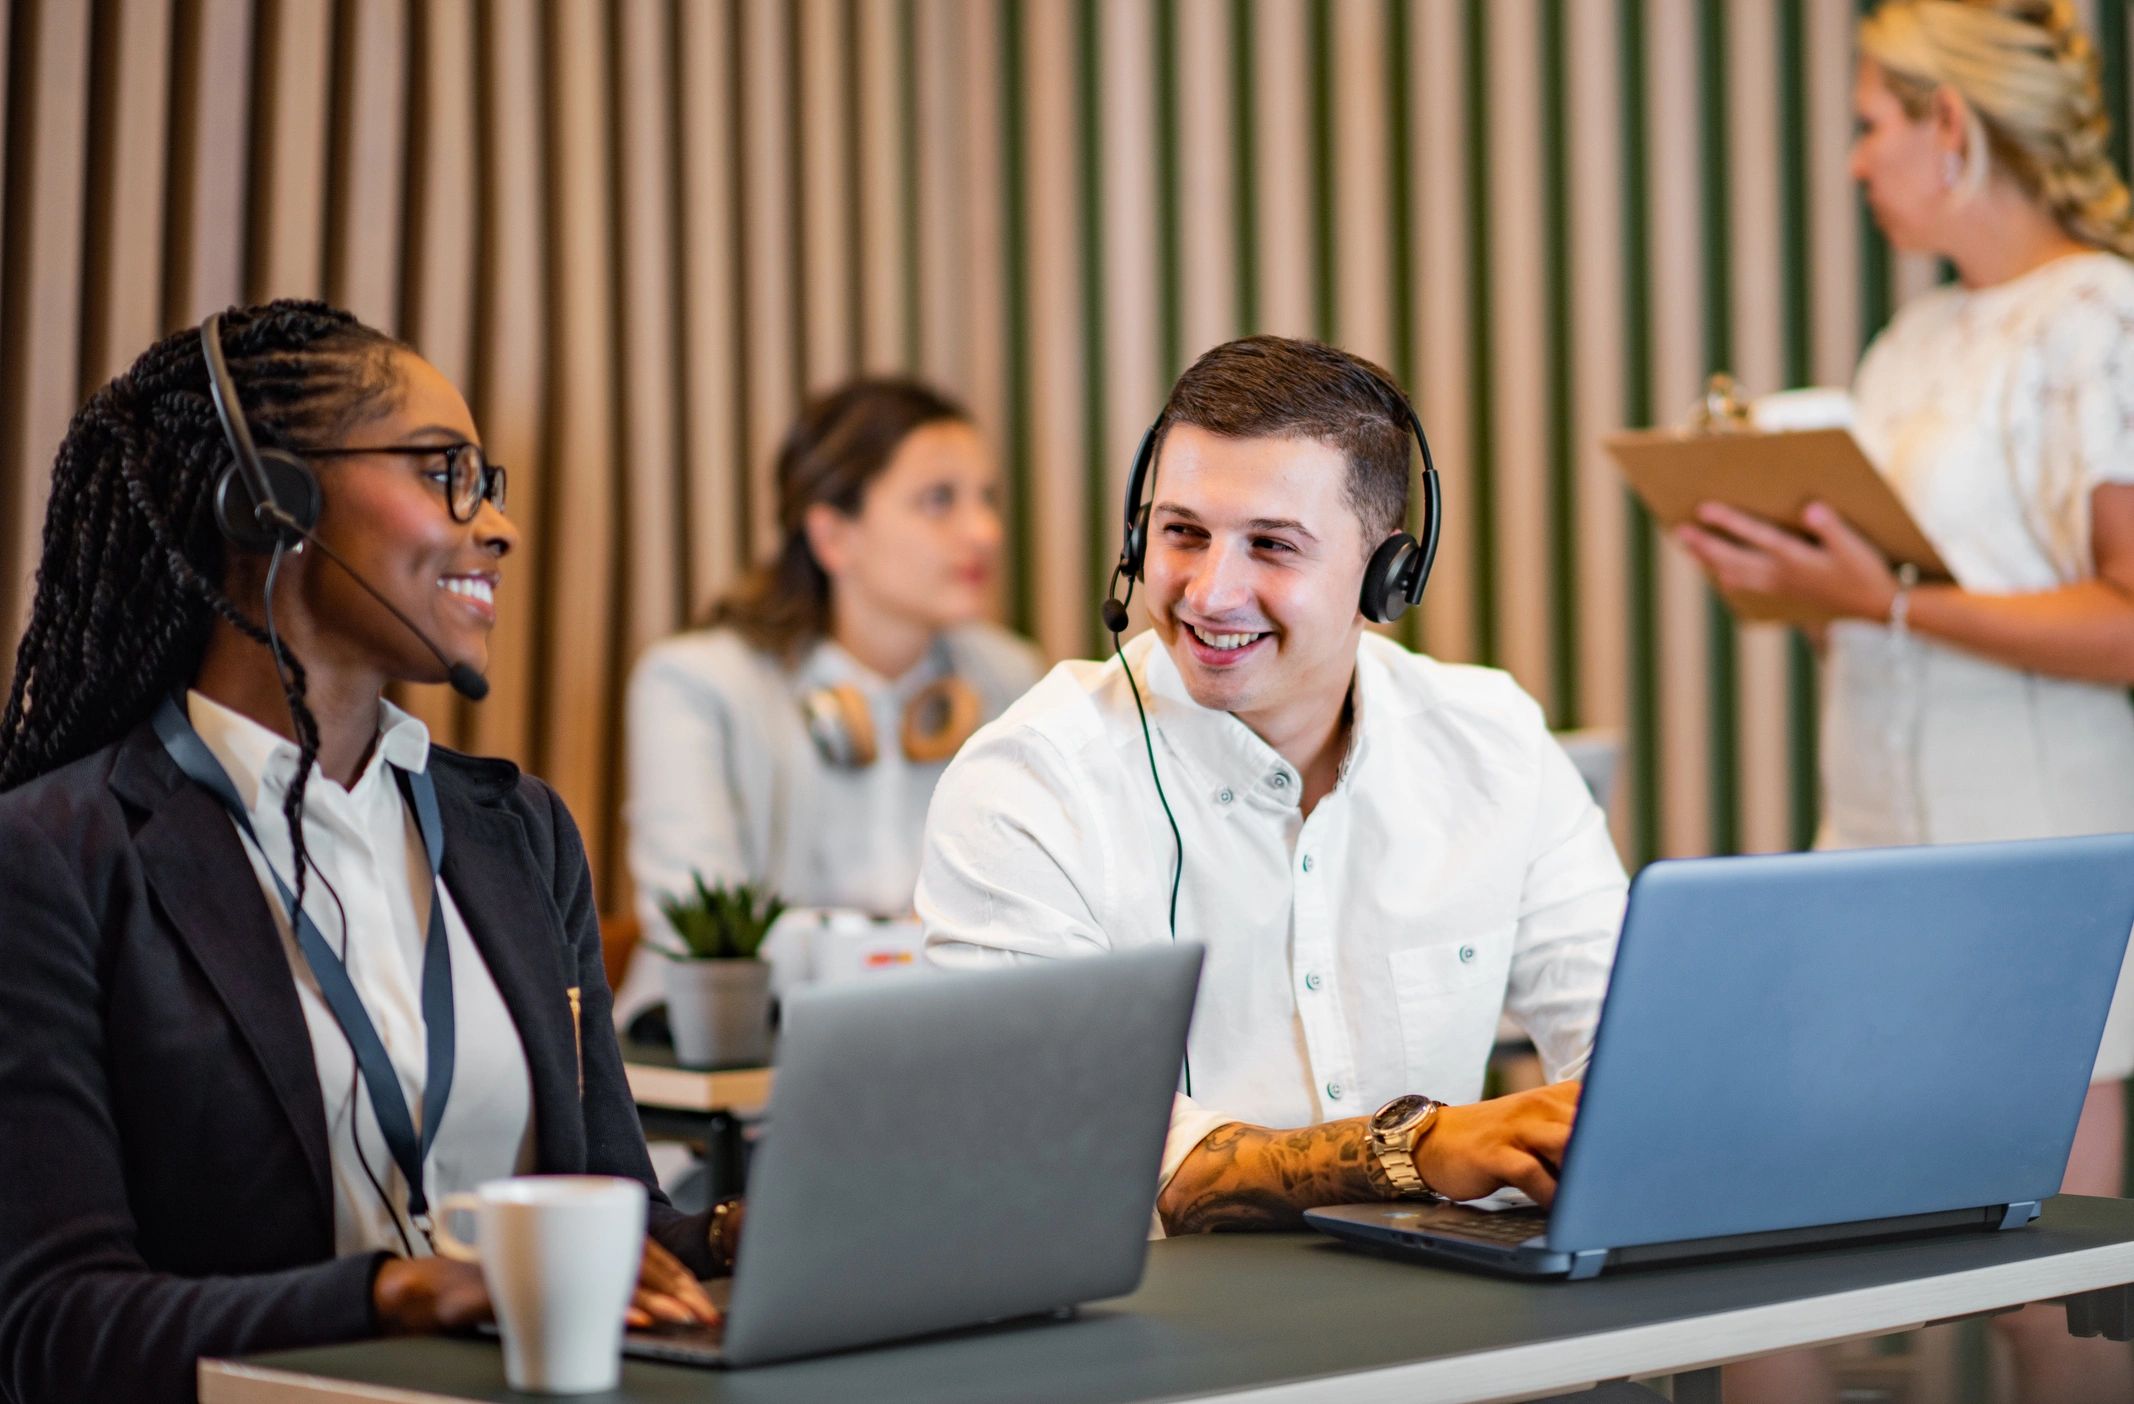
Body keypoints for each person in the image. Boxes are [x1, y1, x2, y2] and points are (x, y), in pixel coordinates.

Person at [0, 301, 733, 1404]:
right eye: (445, 471)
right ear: (269, 500)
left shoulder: (520, 832)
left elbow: (616, 1217)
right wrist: (403, 1291)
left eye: (486, 481)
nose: (497, 527)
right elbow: (53, 1328)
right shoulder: (54, 859)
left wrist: (744, 1229)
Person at [1676, 3, 2134, 1399]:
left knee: (2039, 1310)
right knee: (1754, 1289)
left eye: (1872, 126)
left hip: (2032, 878)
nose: (1855, 161)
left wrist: (1877, 598)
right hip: (1867, 856)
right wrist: (1794, 578)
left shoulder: (2099, 317)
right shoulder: (1908, 340)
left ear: (1951, 127)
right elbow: (1886, 622)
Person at [916, 336, 1627, 1234]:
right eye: (1183, 534)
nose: (1213, 592)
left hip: (1446, 1326)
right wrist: (1416, 1151)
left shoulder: (1494, 742)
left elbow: (1626, 1044)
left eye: (1272, 546)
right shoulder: (1026, 784)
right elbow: (1068, 1140)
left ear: (1386, 574)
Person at [615, 379, 1041, 1020]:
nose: (984, 531)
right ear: (833, 536)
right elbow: (701, 934)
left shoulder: (1010, 675)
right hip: (734, 1056)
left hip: (942, 1044)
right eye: (938, 500)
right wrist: (914, 944)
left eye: (986, 499)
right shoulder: (695, 683)